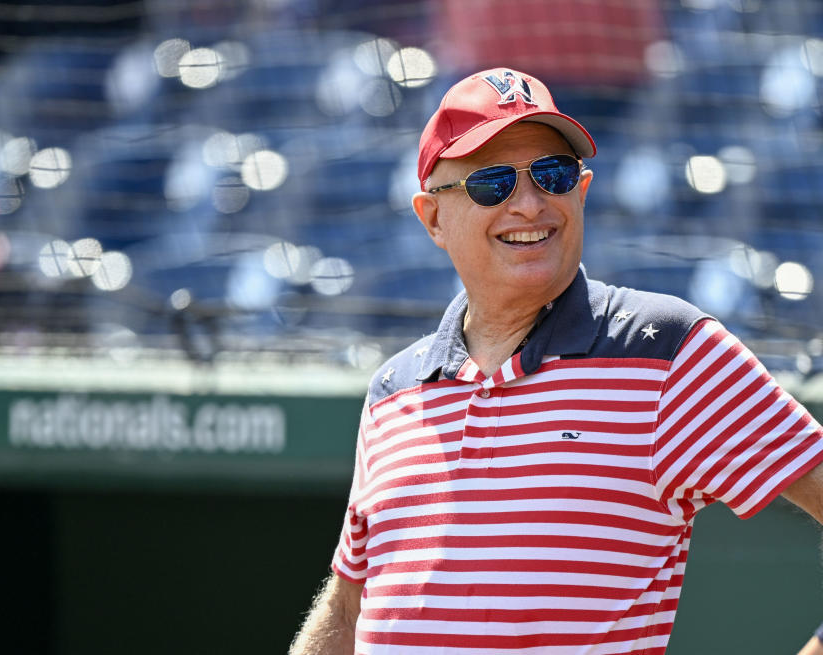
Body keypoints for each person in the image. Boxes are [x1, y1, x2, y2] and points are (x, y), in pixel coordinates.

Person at [288, 68, 823, 654]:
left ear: (582, 191)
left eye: (552, 174)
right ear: (433, 217)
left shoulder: (668, 350)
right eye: (492, 183)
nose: (529, 204)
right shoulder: (393, 390)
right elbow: (347, 606)